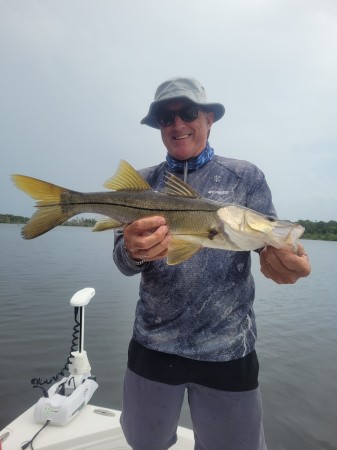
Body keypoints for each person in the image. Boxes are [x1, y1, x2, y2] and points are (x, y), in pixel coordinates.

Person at [113, 77, 311, 450]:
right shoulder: (142, 182)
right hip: (152, 345)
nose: (177, 125)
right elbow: (123, 262)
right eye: (165, 118)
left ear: (208, 118)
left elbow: (265, 244)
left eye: (187, 113)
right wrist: (133, 251)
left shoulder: (245, 177)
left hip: (228, 349)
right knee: (144, 444)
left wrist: (282, 263)